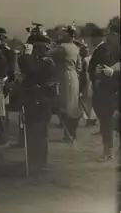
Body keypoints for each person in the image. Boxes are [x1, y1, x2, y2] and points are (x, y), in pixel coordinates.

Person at [21, 30, 56, 174]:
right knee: (32, 131)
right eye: (34, 48)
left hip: (42, 101)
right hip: (32, 100)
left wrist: (27, 56)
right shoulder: (37, 62)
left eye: (38, 48)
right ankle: (34, 160)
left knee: (39, 132)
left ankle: (40, 162)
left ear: (45, 49)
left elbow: (33, 73)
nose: (36, 50)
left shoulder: (47, 63)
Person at [89, 23, 120, 160]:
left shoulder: (103, 50)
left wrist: (98, 79)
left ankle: (108, 151)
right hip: (103, 90)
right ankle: (108, 150)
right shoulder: (103, 49)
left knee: (106, 121)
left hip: (104, 90)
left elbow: (103, 68)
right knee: (104, 121)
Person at [48, 24, 82, 143]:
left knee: (64, 106)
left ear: (68, 34)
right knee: (73, 106)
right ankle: (72, 134)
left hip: (64, 77)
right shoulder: (75, 47)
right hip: (74, 77)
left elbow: (48, 55)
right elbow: (79, 66)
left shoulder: (62, 47)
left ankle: (68, 134)